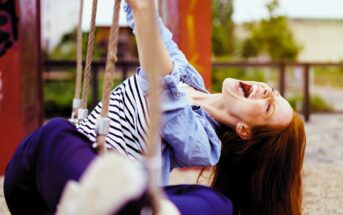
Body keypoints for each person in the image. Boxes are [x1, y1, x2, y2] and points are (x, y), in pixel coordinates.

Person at [5, 0, 306, 214]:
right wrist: (141, 9)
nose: (266, 91)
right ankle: (105, 201)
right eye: (274, 93)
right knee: (56, 132)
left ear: (244, 131)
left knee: (217, 204)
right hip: (47, 178)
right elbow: (151, 29)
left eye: (268, 107)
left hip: (117, 188)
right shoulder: (190, 77)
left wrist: (143, 10)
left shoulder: (204, 143)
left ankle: (117, 204)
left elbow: (161, 90)